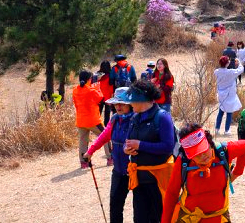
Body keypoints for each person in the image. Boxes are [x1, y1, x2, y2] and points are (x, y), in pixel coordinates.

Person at [161, 124, 245, 223]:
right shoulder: (183, 162)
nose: (202, 155)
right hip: (190, 218)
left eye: (203, 149)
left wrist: (237, 172)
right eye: (196, 153)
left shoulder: (223, 152)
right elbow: (172, 194)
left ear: (209, 143)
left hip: (219, 218)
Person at [121, 80, 176, 223]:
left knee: (159, 217)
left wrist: (140, 145)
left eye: (132, 100)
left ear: (142, 100)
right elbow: (128, 141)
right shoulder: (135, 117)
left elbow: (168, 146)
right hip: (139, 179)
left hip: (158, 180)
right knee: (140, 219)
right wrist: (126, 149)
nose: (130, 104)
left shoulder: (162, 117)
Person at [84, 87, 135, 223]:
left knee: (140, 209)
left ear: (130, 104)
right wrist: (90, 151)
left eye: (122, 103)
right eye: (116, 103)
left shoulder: (136, 120)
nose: (118, 106)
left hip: (136, 171)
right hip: (118, 170)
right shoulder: (114, 119)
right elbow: (104, 135)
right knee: (115, 206)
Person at [73, 70, 111, 168]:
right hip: (93, 120)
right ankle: (110, 158)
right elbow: (101, 98)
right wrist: (98, 88)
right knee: (106, 136)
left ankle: (84, 162)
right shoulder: (91, 90)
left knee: (83, 141)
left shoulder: (75, 90)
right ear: (89, 79)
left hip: (80, 120)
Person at [213, 56, 245, 136]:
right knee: (229, 113)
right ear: (227, 63)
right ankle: (227, 130)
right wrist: (239, 63)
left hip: (221, 95)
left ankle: (217, 129)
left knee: (220, 112)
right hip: (229, 95)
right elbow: (241, 70)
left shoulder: (216, 72)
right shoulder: (231, 72)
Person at [98, 60, 115, 126]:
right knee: (107, 114)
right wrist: (112, 97)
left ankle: (98, 127)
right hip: (108, 98)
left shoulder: (98, 75)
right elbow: (111, 87)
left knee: (98, 113)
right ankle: (106, 128)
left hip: (99, 97)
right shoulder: (110, 75)